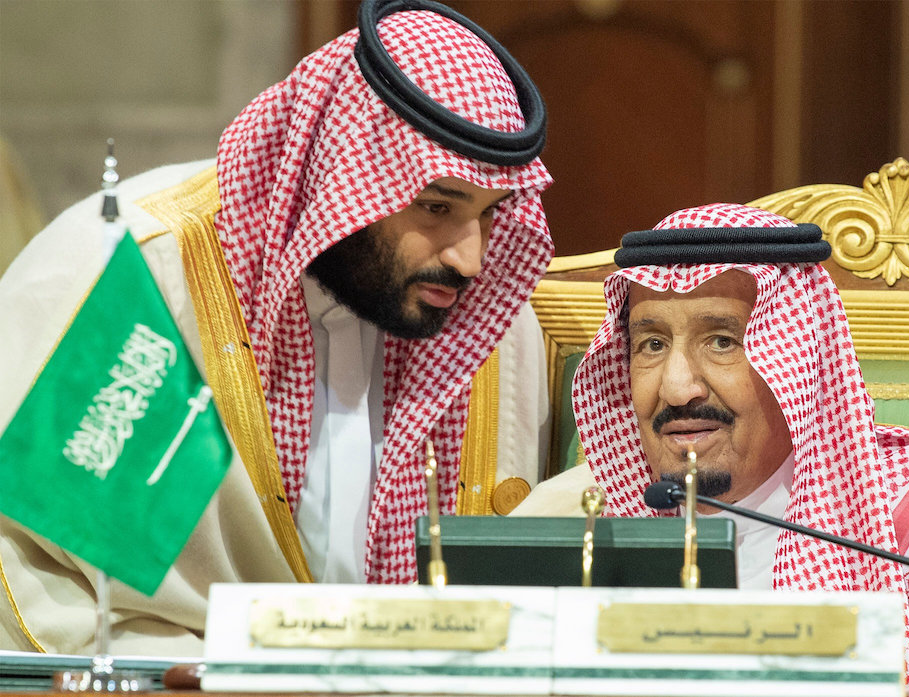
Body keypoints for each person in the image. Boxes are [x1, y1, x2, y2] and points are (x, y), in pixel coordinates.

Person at [0, 0, 554, 656]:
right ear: (344, 177)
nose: (471, 258)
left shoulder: (482, 315)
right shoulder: (145, 279)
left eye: (491, 215)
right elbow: (31, 557)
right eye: (436, 207)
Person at [513, 203, 909, 690]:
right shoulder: (567, 520)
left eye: (722, 341)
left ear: (797, 359)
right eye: (653, 345)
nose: (678, 389)